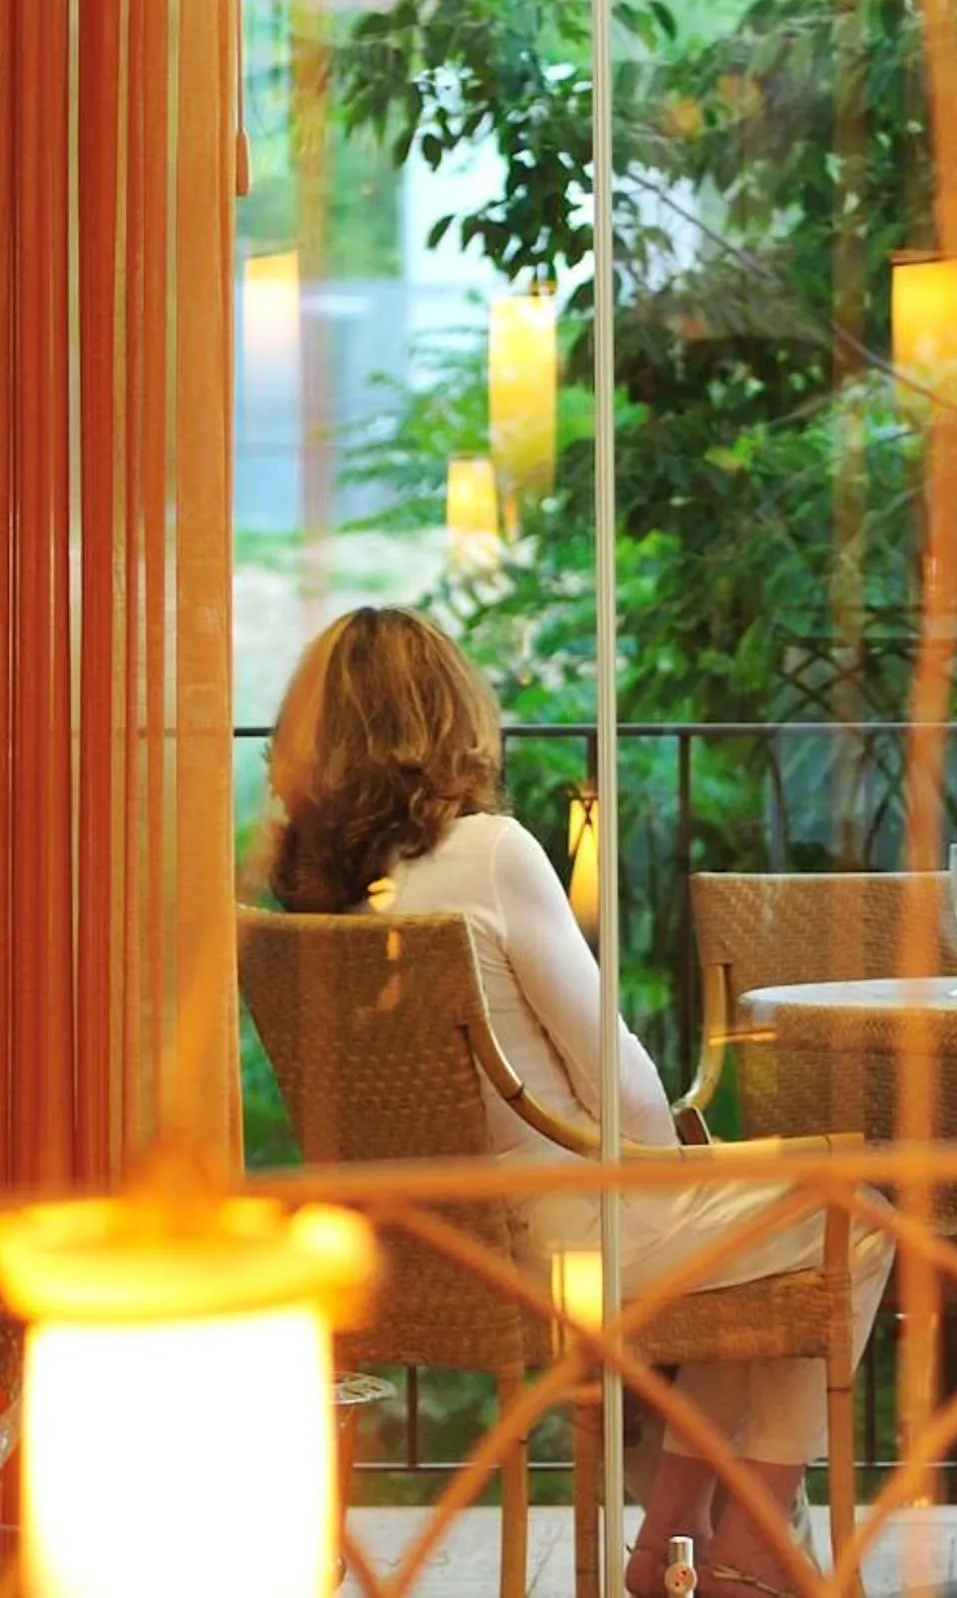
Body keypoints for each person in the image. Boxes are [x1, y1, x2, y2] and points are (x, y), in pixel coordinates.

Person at [266, 607, 893, 1598]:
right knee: (849, 1212)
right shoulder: (489, 850)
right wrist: (679, 1153)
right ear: (445, 719)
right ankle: (749, 1534)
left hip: (421, 1245)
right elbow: (626, 1094)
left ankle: (676, 1536)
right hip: (572, 1248)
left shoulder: (313, 896)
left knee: (764, 1243)